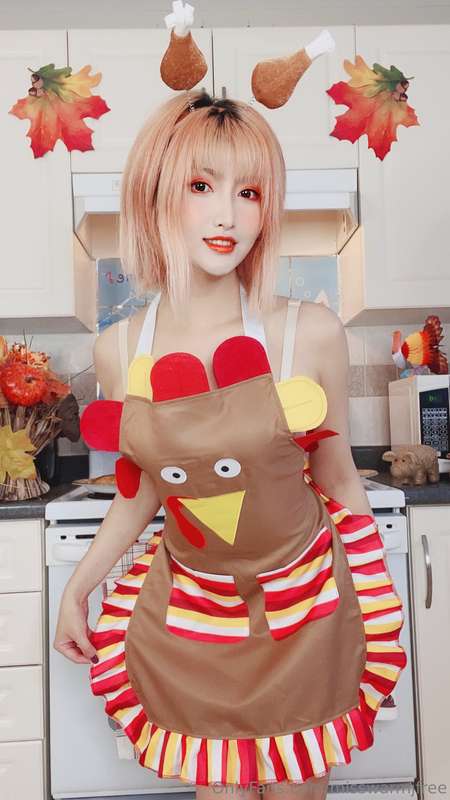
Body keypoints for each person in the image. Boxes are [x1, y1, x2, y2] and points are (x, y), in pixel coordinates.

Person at [53, 90, 406, 799]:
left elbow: (339, 479)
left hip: (304, 602)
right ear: (156, 195)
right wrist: (77, 588)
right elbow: (140, 493)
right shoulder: (120, 349)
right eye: (201, 186)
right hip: (199, 607)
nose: (228, 215)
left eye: (249, 192)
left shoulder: (309, 333)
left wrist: (371, 600)